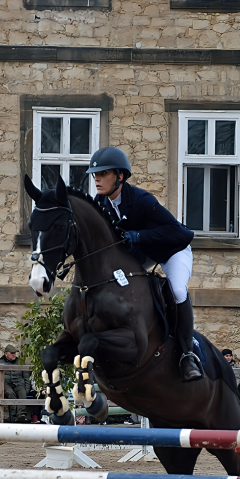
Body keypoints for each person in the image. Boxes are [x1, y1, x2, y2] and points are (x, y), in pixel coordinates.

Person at [87, 146, 201, 381]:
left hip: (172, 250)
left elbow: (181, 233)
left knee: (177, 289)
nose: (96, 178)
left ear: (120, 176)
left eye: (103, 173)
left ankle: (188, 353)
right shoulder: (101, 203)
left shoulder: (141, 200)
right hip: (144, 254)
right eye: (94, 174)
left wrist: (139, 236)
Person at [0, 344, 32, 423]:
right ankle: (13, 416)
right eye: (12, 353)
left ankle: (21, 415)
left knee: (22, 392)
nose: (14, 355)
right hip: (5, 384)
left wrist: (26, 389)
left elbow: (26, 377)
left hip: (18, 383)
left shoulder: (20, 362)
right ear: (6, 353)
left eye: (15, 353)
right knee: (10, 393)